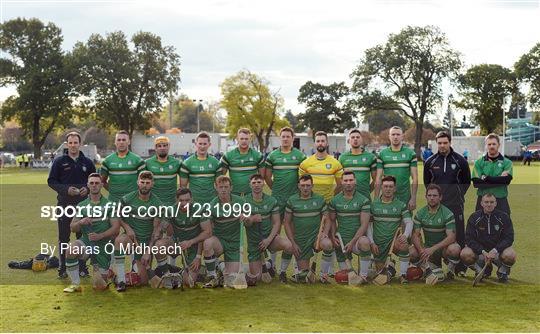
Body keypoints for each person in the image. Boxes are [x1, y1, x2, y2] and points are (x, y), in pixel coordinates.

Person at [48, 131, 96, 279]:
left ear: (80, 144)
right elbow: (51, 181)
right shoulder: (59, 161)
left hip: (83, 207)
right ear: (67, 144)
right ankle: (62, 268)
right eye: (71, 143)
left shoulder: (87, 162)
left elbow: (94, 180)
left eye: (76, 142)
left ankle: (82, 268)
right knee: (64, 238)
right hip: (65, 205)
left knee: (83, 237)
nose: (73, 145)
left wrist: (86, 189)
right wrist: (66, 190)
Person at [63, 173, 119, 293]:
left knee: (99, 287)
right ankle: (75, 284)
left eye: (97, 183)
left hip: (104, 245)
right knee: (71, 249)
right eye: (92, 183)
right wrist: (81, 222)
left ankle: (111, 273)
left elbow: (116, 228)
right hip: (87, 243)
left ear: (102, 185)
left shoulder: (109, 205)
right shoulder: (82, 205)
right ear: (88, 185)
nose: (94, 185)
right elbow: (73, 228)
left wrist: (101, 235)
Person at [423, 131, 470, 272]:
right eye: (440, 143)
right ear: (436, 143)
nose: (442, 146)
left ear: (450, 142)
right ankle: (436, 264)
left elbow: (466, 181)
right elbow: (427, 183)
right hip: (437, 207)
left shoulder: (460, 160)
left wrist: (458, 194)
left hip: (455, 205)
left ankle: (460, 268)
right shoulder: (430, 161)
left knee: (459, 235)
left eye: (445, 143)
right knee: (436, 234)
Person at [298, 131, 343, 276]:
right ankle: (301, 270)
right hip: (311, 207)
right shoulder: (306, 163)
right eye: (318, 141)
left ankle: (328, 272)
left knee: (330, 236)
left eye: (323, 141)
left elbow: (340, 184)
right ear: (314, 143)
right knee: (307, 235)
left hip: (329, 206)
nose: (320, 143)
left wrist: (330, 196)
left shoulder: (335, 163)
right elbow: (301, 185)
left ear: (327, 143)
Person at [264, 127, 306, 280]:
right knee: (274, 234)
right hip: (277, 199)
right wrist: (276, 190)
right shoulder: (273, 155)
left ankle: (293, 269)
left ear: (292, 138)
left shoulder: (300, 156)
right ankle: (272, 267)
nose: (286, 139)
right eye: (283, 136)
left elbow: (303, 179)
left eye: (288, 136)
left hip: (293, 200)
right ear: (279, 138)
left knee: (294, 235)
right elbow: (268, 177)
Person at [113, 171, 162, 291]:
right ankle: (120, 280)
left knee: (143, 281)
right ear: (138, 183)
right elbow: (116, 214)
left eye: (148, 183)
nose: (145, 185)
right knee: (120, 240)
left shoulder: (157, 203)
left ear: (152, 184)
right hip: (131, 238)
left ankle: (136, 265)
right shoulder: (127, 199)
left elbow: (156, 231)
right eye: (142, 182)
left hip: (146, 243)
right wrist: (127, 227)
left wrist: (147, 251)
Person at [156, 188, 212, 286]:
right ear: (176, 200)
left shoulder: (199, 210)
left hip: (193, 246)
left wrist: (198, 256)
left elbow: (207, 232)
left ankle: (179, 271)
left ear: (192, 199)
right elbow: (160, 229)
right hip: (177, 244)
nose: (184, 203)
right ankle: (166, 274)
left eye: (187, 200)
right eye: (181, 200)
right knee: (159, 245)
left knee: (189, 282)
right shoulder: (171, 210)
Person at [322, 171, 371, 283]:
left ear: (355, 182)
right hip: (341, 242)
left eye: (351, 180)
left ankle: (363, 276)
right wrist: (334, 236)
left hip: (356, 241)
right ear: (341, 182)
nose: (348, 183)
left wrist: (353, 241)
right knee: (344, 277)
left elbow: (364, 225)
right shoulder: (334, 201)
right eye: (345, 180)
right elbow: (333, 221)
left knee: (365, 241)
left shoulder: (363, 200)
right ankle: (325, 275)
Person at [243, 174, 293, 282]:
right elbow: (245, 223)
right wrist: (251, 219)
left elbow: (276, 223)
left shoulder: (271, 200)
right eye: (254, 183)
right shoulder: (244, 201)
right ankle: (226, 266)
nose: (256, 185)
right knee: (256, 278)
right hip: (254, 243)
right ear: (250, 185)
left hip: (270, 239)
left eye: (259, 182)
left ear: (263, 184)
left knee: (289, 246)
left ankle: (282, 272)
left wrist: (268, 240)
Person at [201, 176, 247, 288]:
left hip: (234, 244)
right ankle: (212, 276)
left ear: (231, 188)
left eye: (226, 187)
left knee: (230, 281)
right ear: (215, 187)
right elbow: (207, 229)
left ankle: (220, 266)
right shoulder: (212, 205)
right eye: (220, 187)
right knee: (207, 243)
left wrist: (246, 216)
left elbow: (250, 220)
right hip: (220, 242)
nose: (223, 189)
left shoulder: (240, 201)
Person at [410, 184, 461, 282]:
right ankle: (427, 269)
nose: (432, 198)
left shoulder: (447, 213)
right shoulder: (420, 213)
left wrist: (433, 249)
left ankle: (450, 271)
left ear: (440, 197)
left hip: (443, 249)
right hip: (427, 248)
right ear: (426, 197)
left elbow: (452, 237)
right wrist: (421, 251)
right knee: (411, 252)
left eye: (435, 195)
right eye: (429, 195)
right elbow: (415, 235)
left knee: (455, 249)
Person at [460, 193, 516, 283]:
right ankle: (479, 271)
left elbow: (509, 238)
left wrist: (495, 250)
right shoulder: (474, 217)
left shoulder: (504, 217)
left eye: (491, 202)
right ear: (481, 203)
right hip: (481, 254)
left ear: (495, 203)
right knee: (465, 253)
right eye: (486, 202)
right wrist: (482, 251)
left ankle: (502, 272)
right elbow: (469, 238)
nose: (489, 204)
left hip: (497, 253)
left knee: (511, 255)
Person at [367, 175, 413, 284]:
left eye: (391, 187)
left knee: (403, 244)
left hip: (393, 245)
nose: (388, 189)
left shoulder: (401, 205)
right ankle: (390, 266)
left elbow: (409, 222)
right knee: (375, 274)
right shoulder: (373, 205)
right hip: (377, 246)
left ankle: (403, 275)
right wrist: (372, 242)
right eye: (386, 186)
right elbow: (368, 225)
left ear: (395, 189)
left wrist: (405, 235)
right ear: (381, 188)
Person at [283, 175, 327, 283]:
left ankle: (324, 275)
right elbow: (287, 223)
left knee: (328, 244)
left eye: (308, 185)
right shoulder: (292, 200)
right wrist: (293, 242)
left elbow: (328, 219)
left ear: (312, 186)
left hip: (316, 238)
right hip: (301, 240)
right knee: (304, 274)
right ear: (298, 186)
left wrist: (323, 233)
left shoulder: (320, 199)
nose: (305, 188)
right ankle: (290, 272)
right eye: (303, 185)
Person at [375, 126, 418, 212]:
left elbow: (415, 178)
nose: (395, 137)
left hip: (405, 196)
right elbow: (378, 178)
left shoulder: (410, 153)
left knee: (405, 223)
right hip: (387, 196)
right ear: (389, 136)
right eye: (393, 134)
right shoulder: (382, 154)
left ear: (402, 136)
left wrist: (413, 198)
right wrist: (376, 199)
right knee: (388, 222)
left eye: (398, 134)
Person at [471, 133, 513, 216]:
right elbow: (476, 183)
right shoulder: (478, 163)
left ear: (499, 145)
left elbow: (506, 181)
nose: (491, 146)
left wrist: (486, 178)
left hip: (500, 201)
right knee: (481, 227)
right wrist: (499, 179)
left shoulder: (507, 163)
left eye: (494, 144)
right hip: (482, 201)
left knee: (503, 228)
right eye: (489, 144)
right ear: (486, 146)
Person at [100, 130, 146, 202]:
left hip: (133, 201)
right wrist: (113, 190)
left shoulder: (138, 160)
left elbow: (144, 182)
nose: (121, 142)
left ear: (129, 142)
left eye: (124, 140)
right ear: (115, 142)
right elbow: (102, 181)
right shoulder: (107, 161)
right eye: (119, 140)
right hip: (113, 200)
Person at [180, 132, 223, 205]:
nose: (202, 146)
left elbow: (219, 185)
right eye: (200, 144)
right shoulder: (187, 163)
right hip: (193, 202)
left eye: (205, 144)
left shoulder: (216, 163)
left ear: (209, 144)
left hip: (211, 201)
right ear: (196, 144)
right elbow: (183, 187)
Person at [220, 128, 265, 196]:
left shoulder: (258, 155)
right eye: (241, 138)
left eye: (246, 139)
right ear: (237, 139)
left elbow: (262, 177)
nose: (244, 141)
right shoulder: (228, 155)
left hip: (252, 194)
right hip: (233, 194)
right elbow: (221, 176)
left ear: (250, 139)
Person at [339, 129, 377, 200]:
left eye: (357, 137)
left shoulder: (371, 157)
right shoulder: (342, 157)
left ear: (361, 140)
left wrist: (367, 191)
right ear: (349, 141)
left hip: (365, 198)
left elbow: (375, 180)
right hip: (347, 198)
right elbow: (340, 180)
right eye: (352, 137)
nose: (355, 139)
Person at [145, 136, 182, 206]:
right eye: (159, 146)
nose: (162, 148)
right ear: (155, 148)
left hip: (172, 203)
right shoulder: (147, 163)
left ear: (169, 146)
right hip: (153, 203)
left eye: (165, 145)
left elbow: (183, 185)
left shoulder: (177, 163)